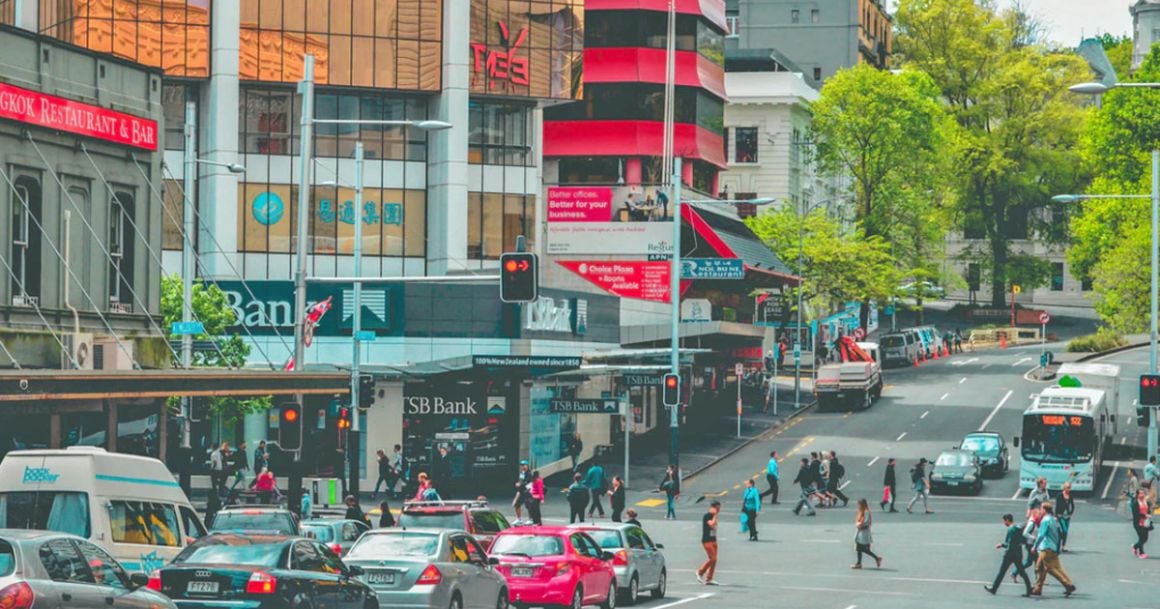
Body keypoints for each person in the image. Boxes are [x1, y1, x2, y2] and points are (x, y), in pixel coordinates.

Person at [1030, 502, 1075, 597]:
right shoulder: (1054, 520)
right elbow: (1060, 534)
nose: (1040, 511)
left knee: (1047, 568)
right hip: (1054, 547)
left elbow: (1041, 535)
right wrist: (1058, 547)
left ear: (1044, 510)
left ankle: (1067, 584)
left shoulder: (1045, 520)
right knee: (1050, 568)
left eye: (1041, 509)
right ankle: (1038, 588)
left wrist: (1034, 546)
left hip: (1046, 547)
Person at [984, 513, 1032, 597]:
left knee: (1002, 572)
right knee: (1022, 572)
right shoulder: (1018, 528)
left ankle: (994, 588)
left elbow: (1009, 543)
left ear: (1007, 520)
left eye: (1004, 521)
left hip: (1010, 554)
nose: (1004, 523)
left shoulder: (1010, 529)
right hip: (1018, 553)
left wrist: (1002, 545)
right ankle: (1029, 589)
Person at [852, 498, 882, 569]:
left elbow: (866, 522)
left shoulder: (866, 512)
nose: (858, 506)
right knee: (859, 548)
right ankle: (859, 563)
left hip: (864, 532)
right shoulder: (861, 511)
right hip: (860, 532)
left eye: (859, 505)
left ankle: (876, 558)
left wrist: (859, 524)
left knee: (862, 548)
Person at [696, 501, 720, 585]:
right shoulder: (707, 516)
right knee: (712, 558)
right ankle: (700, 572)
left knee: (714, 560)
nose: (718, 510)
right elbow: (712, 524)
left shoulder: (713, 516)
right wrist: (715, 515)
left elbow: (715, 526)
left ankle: (709, 578)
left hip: (713, 539)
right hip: (707, 540)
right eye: (717, 508)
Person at [1131, 487, 1152, 558]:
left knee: (1145, 538)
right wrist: (1145, 515)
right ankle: (1141, 553)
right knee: (1141, 538)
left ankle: (1135, 546)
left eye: (1143, 493)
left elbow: (1148, 510)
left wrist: (1148, 514)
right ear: (1137, 495)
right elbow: (1136, 514)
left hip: (1145, 522)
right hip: (1138, 523)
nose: (1143, 495)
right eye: (1141, 493)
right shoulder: (1135, 503)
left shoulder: (1146, 502)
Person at [1057, 482, 1075, 552]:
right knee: (1064, 530)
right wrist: (1056, 514)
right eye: (1067, 488)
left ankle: (1063, 546)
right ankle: (1059, 543)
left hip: (1067, 516)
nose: (1069, 489)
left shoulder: (1070, 496)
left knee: (1066, 531)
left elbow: (1072, 505)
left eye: (1069, 488)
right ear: (1064, 488)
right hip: (1061, 515)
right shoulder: (1060, 495)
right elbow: (1057, 505)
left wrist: (1071, 512)